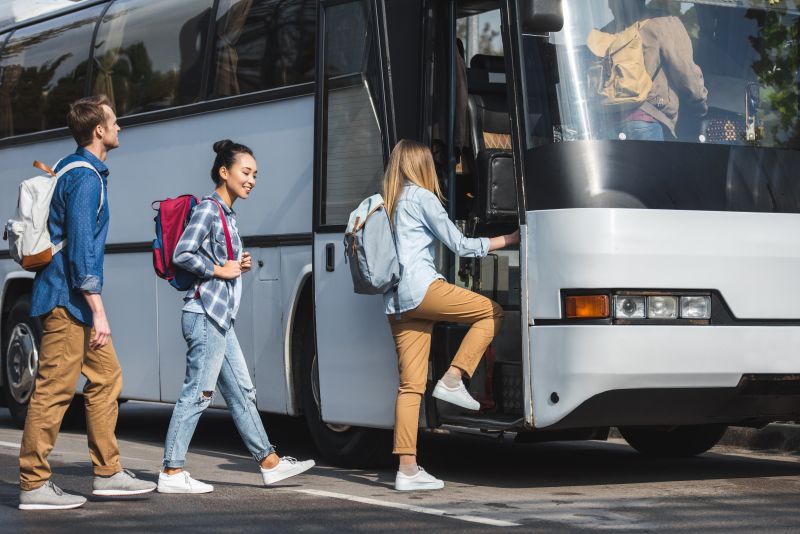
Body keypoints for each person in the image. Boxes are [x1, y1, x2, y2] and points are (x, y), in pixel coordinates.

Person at [19, 95, 156, 510]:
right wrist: (99, 311)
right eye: (114, 122)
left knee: (107, 378)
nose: (120, 128)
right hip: (67, 300)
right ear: (99, 130)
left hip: (70, 299)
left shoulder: (74, 169)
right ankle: (33, 482)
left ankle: (109, 472)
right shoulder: (85, 179)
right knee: (54, 391)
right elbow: (80, 252)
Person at [158, 140, 314, 493]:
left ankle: (270, 463)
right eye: (246, 172)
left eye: (255, 174)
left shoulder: (227, 213)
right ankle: (171, 472)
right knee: (198, 393)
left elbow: (218, 262)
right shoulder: (209, 209)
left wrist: (234, 266)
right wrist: (219, 269)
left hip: (219, 319)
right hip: (204, 315)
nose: (252, 180)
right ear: (224, 172)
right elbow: (183, 253)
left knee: (243, 392)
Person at [382, 140, 519, 491]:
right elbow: (460, 244)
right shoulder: (421, 198)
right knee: (492, 312)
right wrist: (510, 239)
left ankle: (407, 470)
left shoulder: (390, 201)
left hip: (397, 300)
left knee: (410, 386)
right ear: (422, 165)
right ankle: (454, 378)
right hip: (422, 289)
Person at [600, 0, 708, 141]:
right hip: (647, 119)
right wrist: (700, 106)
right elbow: (687, 74)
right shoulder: (663, 23)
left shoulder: (604, 33)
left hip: (606, 125)